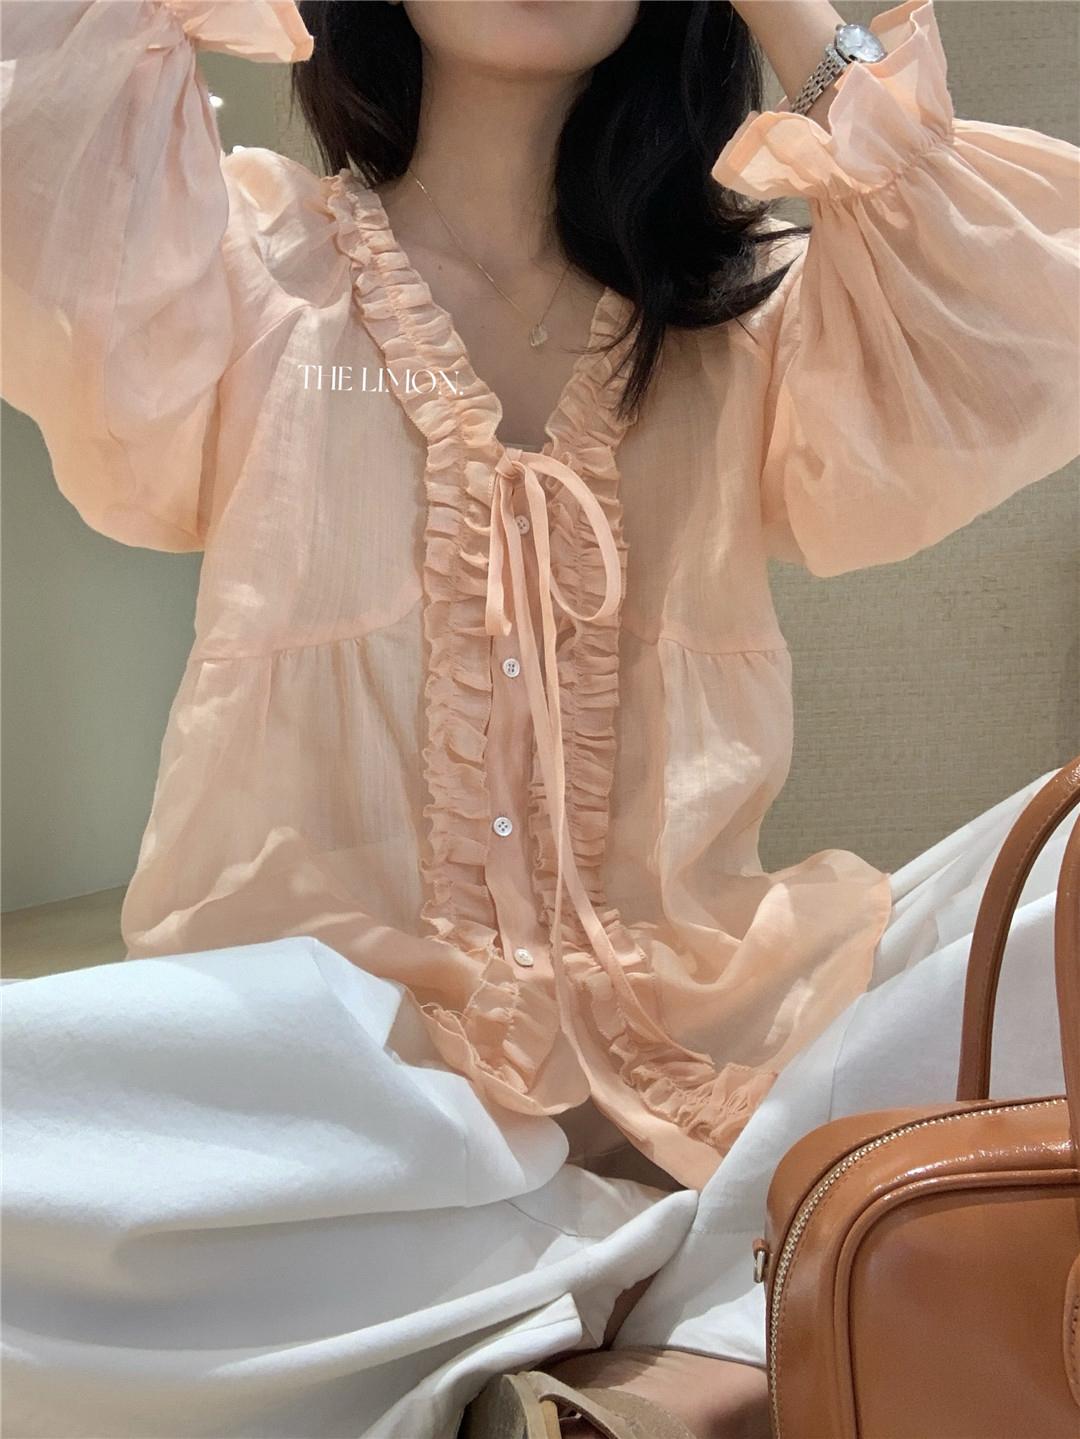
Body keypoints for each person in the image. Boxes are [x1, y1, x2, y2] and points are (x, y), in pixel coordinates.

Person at [1, 1, 1077, 1436]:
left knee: (1058, 888)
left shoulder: (746, 310)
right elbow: (39, 102)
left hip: (731, 1072)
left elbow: (1027, 300)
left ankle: (678, 1334)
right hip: (362, 1117)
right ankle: (697, 1301)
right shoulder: (236, 268)